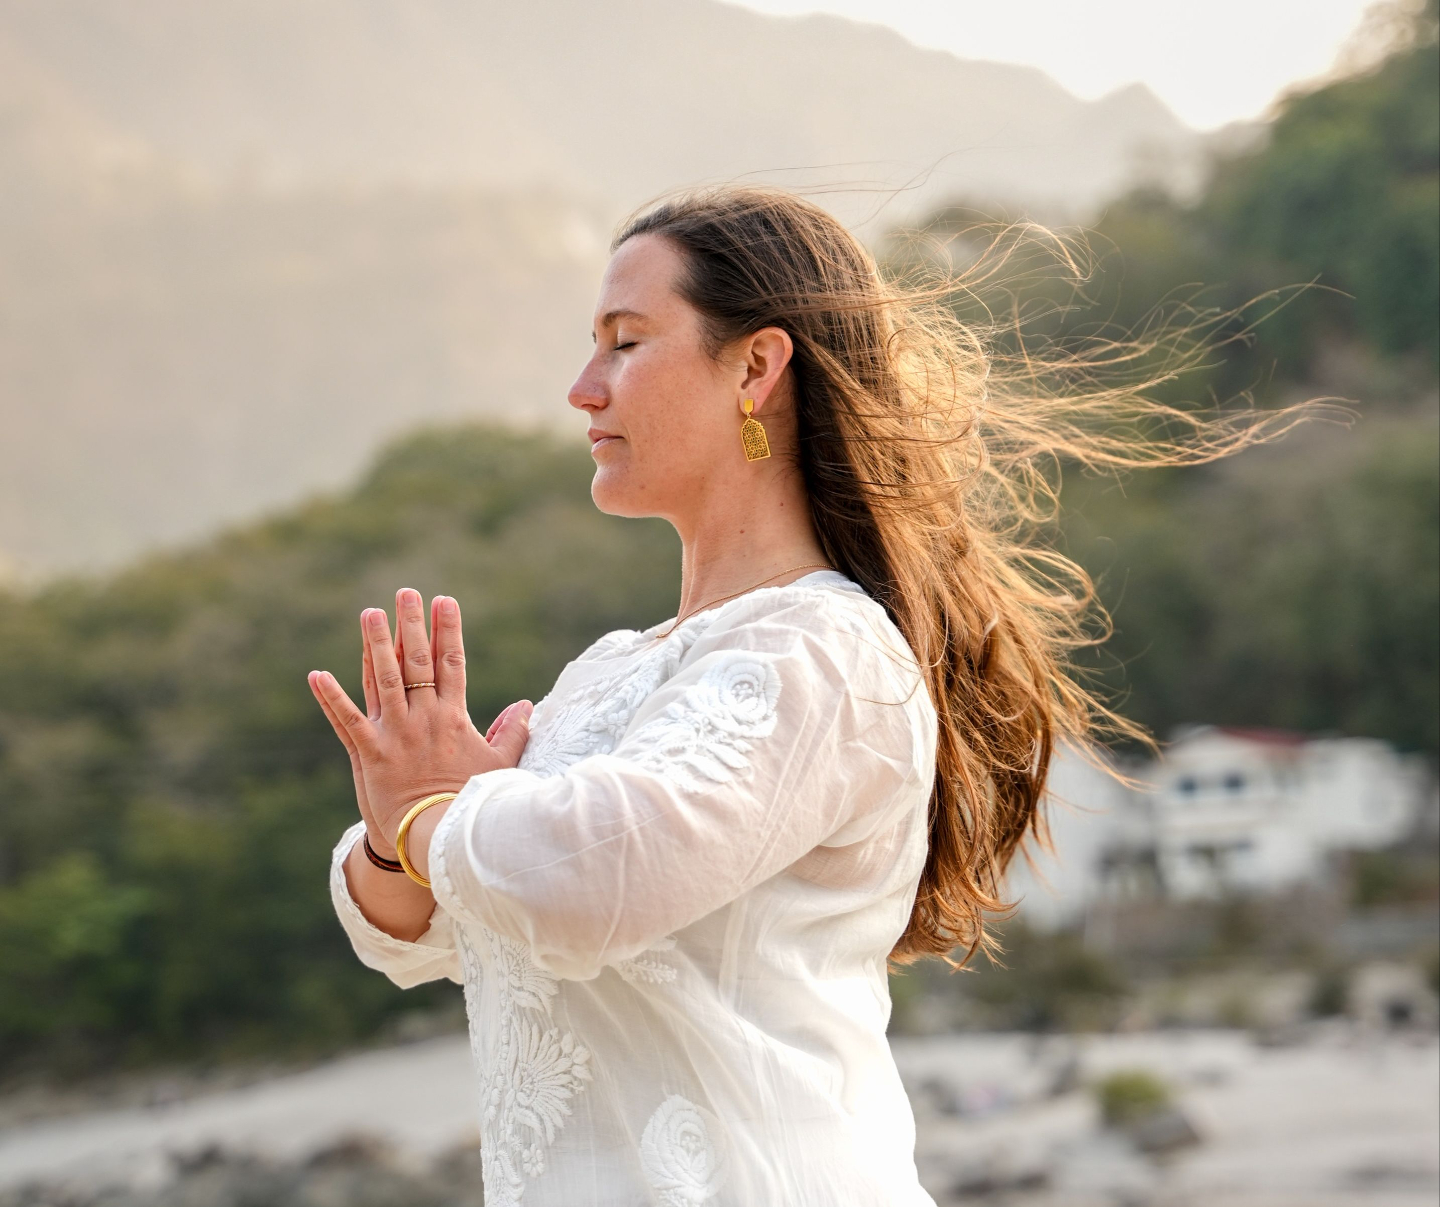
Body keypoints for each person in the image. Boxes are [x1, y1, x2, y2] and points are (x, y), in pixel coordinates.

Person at [307, 187, 1281, 1205]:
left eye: (625, 344)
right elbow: (427, 932)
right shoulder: (609, 668)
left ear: (758, 367)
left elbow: (590, 878)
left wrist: (435, 811)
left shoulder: (825, 651)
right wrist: (397, 832)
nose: (582, 390)